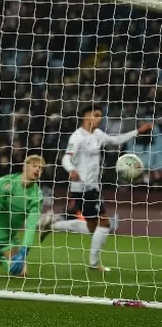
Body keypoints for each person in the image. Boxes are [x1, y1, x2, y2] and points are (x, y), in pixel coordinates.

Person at [39, 106, 152, 271]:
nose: (99, 119)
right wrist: (71, 170)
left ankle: (53, 225)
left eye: (100, 116)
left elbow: (114, 140)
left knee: (92, 227)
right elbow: (66, 157)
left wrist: (137, 131)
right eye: (96, 115)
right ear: (86, 116)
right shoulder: (77, 137)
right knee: (104, 223)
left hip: (93, 187)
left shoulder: (98, 134)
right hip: (82, 188)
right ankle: (93, 264)